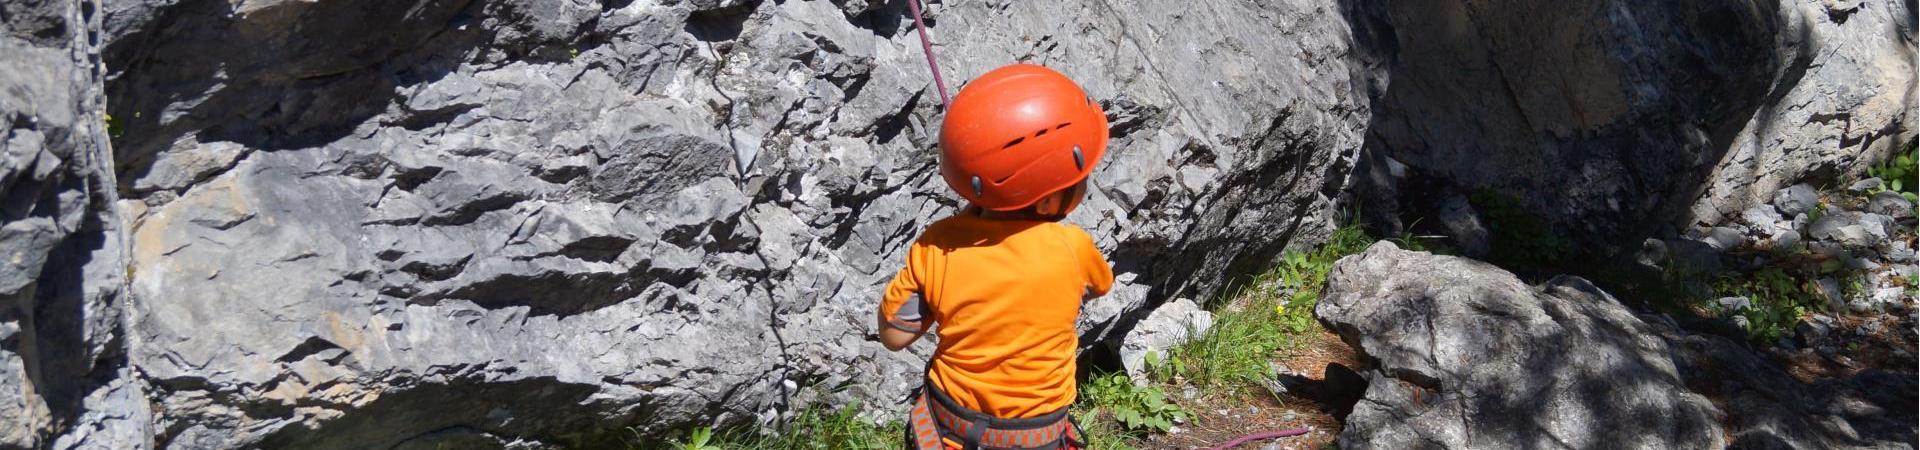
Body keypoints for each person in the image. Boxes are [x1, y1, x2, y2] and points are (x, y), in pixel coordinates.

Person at [876, 63, 1115, 450]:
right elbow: (1097, 286)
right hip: (1037, 438)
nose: (1085, 184)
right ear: (1048, 201)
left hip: (945, 433)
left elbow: (894, 334)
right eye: (1079, 178)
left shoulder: (939, 246)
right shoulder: (1074, 249)